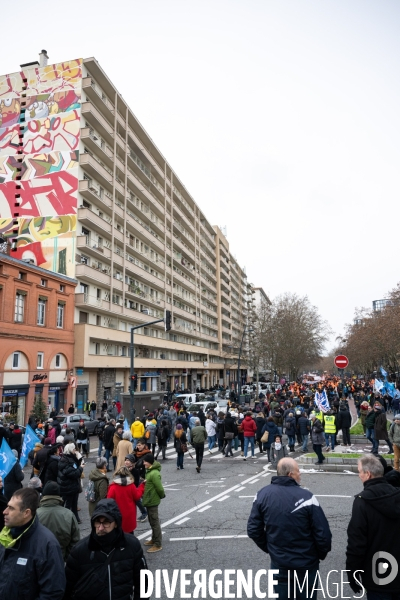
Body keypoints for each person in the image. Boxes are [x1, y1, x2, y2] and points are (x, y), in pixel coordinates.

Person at [247, 457, 332, 600]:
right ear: (290, 474)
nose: (300, 474)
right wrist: (319, 555)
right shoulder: (307, 497)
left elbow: (253, 530)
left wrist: (270, 548)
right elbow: (323, 534)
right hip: (306, 563)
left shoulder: (262, 495)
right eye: (298, 471)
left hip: (279, 562)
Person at [64, 498, 147, 600]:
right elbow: (67, 588)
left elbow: (143, 583)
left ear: (116, 523)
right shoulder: (79, 551)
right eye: (97, 522)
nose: (101, 528)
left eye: (106, 522)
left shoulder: (131, 545)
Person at [346, 454, 400, 597]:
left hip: (378, 575)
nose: (359, 475)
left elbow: (356, 543)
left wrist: (353, 573)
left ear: (368, 474)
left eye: (360, 472)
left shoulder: (362, 501)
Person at [0, 488, 66, 600]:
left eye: (11, 508)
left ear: (26, 513)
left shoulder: (47, 544)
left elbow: (52, 592)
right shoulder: (6, 535)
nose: (4, 511)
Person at [36, 481, 80, 560]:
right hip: (61, 557)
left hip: (39, 558)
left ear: (44, 495)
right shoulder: (68, 514)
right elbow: (75, 541)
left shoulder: (35, 515)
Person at [106, 467, 145, 534]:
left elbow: (109, 501)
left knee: (119, 532)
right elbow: (137, 496)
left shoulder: (113, 487)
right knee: (130, 532)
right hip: (130, 512)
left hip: (117, 513)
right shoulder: (131, 485)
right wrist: (142, 486)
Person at [142, 453, 165, 553]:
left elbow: (159, 488)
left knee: (155, 522)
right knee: (152, 521)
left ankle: (158, 544)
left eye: (145, 462)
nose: (143, 463)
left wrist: (162, 495)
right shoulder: (150, 471)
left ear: (149, 462)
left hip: (153, 500)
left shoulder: (154, 473)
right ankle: (154, 539)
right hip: (149, 499)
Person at [58, 442, 84, 524]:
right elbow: (73, 474)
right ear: (70, 450)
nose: (75, 450)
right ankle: (66, 521)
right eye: (73, 449)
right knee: (68, 505)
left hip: (72, 486)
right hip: (69, 486)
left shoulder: (69, 458)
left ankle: (76, 519)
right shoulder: (67, 460)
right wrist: (80, 468)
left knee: (73, 503)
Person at [124, 453, 148, 523]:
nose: (126, 462)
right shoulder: (124, 469)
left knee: (137, 501)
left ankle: (144, 512)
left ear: (132, 462)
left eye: (128, 460)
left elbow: (136, 482)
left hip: (133, 488)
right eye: (125, 460)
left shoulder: (135, 471)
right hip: (126, 489)